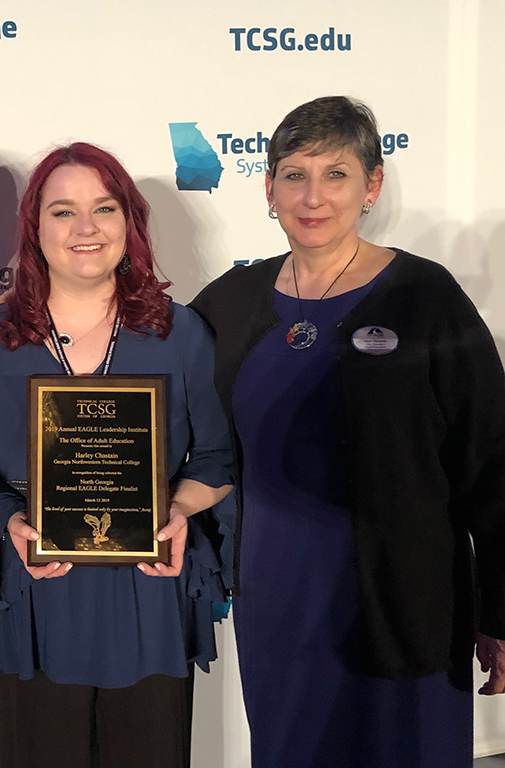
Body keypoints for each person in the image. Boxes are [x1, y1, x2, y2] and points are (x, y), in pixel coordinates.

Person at [190, 95, 505, 768]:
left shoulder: (426, 297)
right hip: (278, 603)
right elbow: (154, 402)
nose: (313, 196)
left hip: (408, 602)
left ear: (373, 185)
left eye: (336, 173)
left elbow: (491, 460)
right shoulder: (230, 301)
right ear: (268, 188)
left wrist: (501, 610)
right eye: (294, 174)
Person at [0, 142, 232, 768]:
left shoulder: (179, 332)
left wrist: (180, 512)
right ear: (34, 229)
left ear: (129, 223)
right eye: (62, 211)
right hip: (31, 595)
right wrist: (9, 522)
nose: (85, 229)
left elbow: (216, 458)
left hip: (146, 593)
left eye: (104, 208)